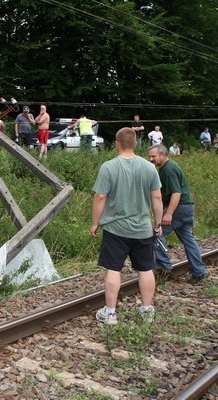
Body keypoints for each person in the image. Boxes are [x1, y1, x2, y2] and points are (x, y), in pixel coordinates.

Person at [91, 127, 163, 325]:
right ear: (136, 144)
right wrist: (157, 223)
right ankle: (147, 310)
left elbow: (100, 196)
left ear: (117, 144)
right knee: (146, 269)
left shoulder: (108, 167)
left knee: (113, 269)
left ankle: (111, 313)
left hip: (116, 229)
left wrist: (95, 223)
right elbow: (156, 196)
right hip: (142, 229)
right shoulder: (149, 168)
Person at [148, 144, 209, 284]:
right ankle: (199, 271)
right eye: (150, 156)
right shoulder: (167, 167)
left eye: (153, 156)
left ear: (162, 155)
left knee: (158, 233)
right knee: (188, 239)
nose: (151, 159)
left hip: (179, 208)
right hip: (186, 207)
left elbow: (176, 193)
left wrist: (168, 213)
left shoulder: (168, 170)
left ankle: (163, 266)